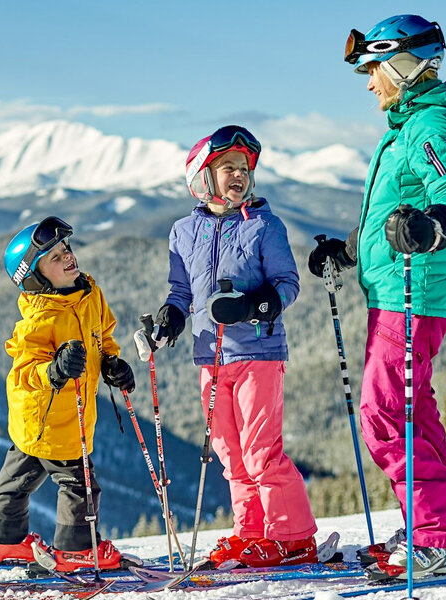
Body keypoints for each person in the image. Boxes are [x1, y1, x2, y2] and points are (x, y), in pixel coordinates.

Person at [310, 14, 446, 576]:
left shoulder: (433, 125)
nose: (368, 83)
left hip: (414, 294)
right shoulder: (404, 128)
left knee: (382, 414)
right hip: (394, 291)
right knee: (413, 413)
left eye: (373, 69)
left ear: (403, 66)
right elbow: (393, 212)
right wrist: (351, 250)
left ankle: (436, 538)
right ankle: (443, 527)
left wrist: (437, 223)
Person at [144, 125, 319, 568]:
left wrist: (251, 306)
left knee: (262, 450)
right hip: (210, 357)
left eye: (243, 168)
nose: (238, 175)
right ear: (202, 176)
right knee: (231, 454)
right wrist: (169, 320)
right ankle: (252, 533)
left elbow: (287, 285)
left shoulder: (264, 225)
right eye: (227, 168)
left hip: (258, 353)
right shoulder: (183, 232)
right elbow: (181, 293)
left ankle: (291, 536)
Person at [0, 216, 136, 572]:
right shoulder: (40, 317)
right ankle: (76, 548)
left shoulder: (89, 293)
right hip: (51, 416)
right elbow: (25, 370)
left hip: (51, 417)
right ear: (35, 276)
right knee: (81, 484)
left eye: (66, 249)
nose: (68, 257)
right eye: (54, 257)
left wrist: (110, 363)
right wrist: (54, 370)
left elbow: (102, 334)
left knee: (18, 477)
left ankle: (2, 540)